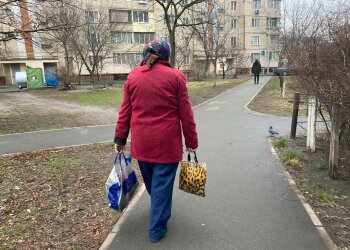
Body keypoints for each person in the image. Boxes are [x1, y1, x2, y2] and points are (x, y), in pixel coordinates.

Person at [114, 40, 198, 243]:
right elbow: (185, 114)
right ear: (166, 55)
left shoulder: (133, 77)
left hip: (142, 144)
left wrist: (120, 138)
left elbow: (125, 110)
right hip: (166, 145)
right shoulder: (176, 77)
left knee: (154, 184)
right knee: (161, 185)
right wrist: (191, 140)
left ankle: (159, 208)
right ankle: (156, 229)